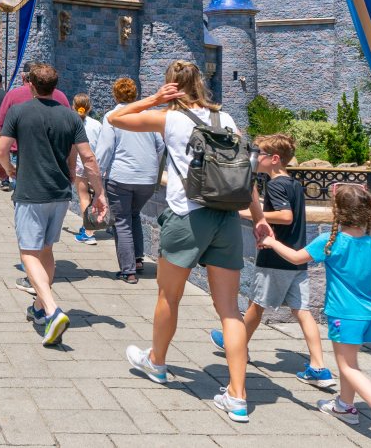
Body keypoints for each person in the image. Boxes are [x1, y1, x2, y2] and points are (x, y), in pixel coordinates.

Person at [111, 59, 271, 425]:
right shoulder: (226, 119)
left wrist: (153, 98)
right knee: (229, 311)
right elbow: (243, 174)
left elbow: (115, 119)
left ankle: (158, 362)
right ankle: (238, 396)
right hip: (227, 218)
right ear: (201, 83)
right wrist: (259, 218)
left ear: (171, 85)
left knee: (169, 296)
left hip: (187, 217)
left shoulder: (170, 118)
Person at [257, 184, 371, 445]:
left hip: (344, 314)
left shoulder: (331, 240)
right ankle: (344, 406)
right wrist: (367, 282)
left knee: (347, 367)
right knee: (349, 363)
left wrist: (271, 241)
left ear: (337, 212)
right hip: (368, 315)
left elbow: (295, 258)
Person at [208, 133, 337, 390]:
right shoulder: (294, 184)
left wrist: (248, 213)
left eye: (261, 154)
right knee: (302, 312)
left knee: (256, 305)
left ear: (274, 159)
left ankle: (236, 344)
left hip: (276, 257)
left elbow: (286, 216)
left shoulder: (276, 185)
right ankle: (319, 367)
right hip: (297, 258)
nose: (256, 157)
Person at [0, 63, 105, 345]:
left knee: (28, 253)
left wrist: (9, 170)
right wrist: (100, 193)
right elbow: (88, 158)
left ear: (31, 85)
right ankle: (39, 309)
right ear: (55, 87)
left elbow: (1, 149)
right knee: (46, 251)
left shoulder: (19, 111)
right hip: (59, 193)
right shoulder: (71, 117)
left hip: (31, 191)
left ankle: (52, 309)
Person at [96, 77, 164, 283]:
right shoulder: (148, 115)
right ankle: (138, 258)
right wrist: (152, 167)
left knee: (122, 221)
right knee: (134, 215)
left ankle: (128, 270)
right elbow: (160, 146)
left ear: (116, 95)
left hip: (122, 177)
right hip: (147, 179)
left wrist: (97, 176)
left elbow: (106, 149)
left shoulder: (112, 116)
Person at [70, 94, 103, 246]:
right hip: (95, 164)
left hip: (79, 164)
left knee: (84, 197)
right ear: (89, 107)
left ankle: (88, 232)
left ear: (73, 106)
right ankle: (91, 226)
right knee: (95, 197)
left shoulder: (71, 122)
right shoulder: (97, 124)